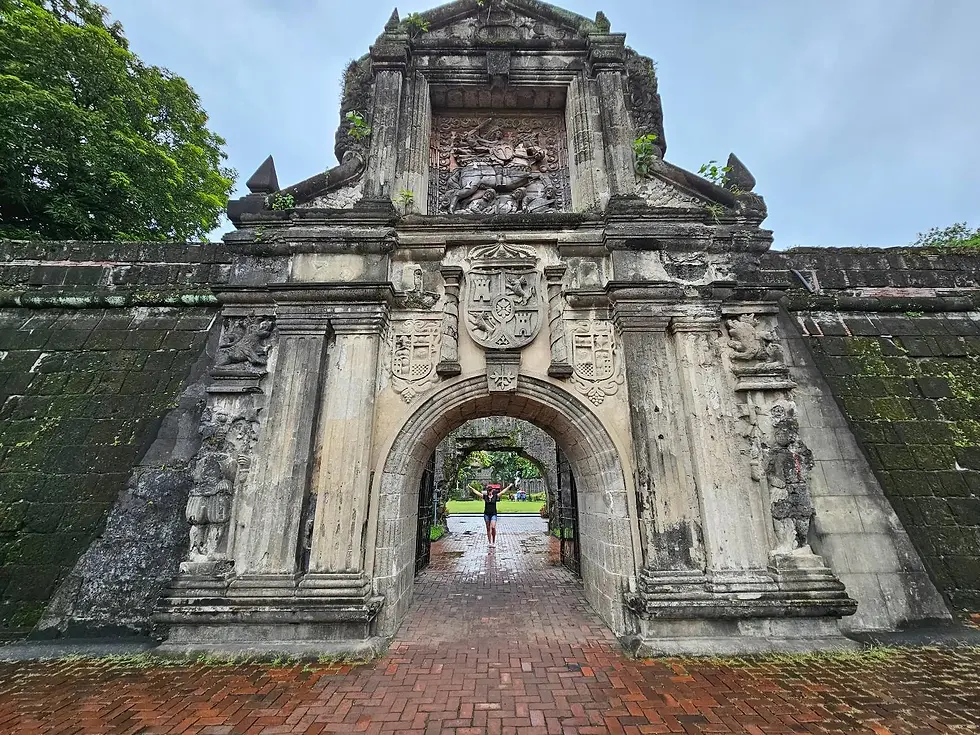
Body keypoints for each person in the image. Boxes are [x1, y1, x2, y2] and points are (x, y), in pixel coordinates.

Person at [471, 482, 513, 549]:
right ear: (487, 491)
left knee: (493, 527)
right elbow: (477, 493)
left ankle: (493, 542)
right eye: (488, 490)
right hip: (486, 514)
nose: (489, 491)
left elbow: (502, 492)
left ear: (492, 490)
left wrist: (509, 486)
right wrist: (471, 488)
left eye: (490, 490)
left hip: (493, 514)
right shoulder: (485, 497)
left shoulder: (495, 496)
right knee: (488, 528)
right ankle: (490, 542)